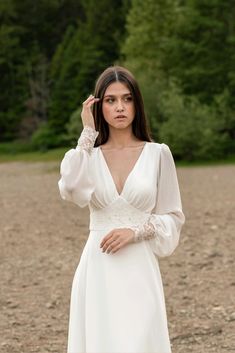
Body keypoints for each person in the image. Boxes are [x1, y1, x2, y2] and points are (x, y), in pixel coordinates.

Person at [58, 65, 185, 353]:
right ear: (98, 106)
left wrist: (136, 232)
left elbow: (173, 216)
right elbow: (70, 189)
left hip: (139, 266)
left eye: (127, 99)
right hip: (98, 267)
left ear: (137, 105)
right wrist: (87, 133)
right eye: (111, 100)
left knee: (140, 340)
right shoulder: (87, 157)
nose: (120, 107)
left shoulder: (158, 154)